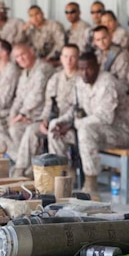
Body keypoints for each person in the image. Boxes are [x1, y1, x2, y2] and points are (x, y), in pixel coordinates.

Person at [49, 52, 129, 197]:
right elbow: (76, 109)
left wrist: (74, 125)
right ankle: (63, 176)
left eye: (89, 69)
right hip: (98, 130)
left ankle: (91, 185)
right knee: (54, 127)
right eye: (81, 69)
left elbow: (105, 117)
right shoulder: (80, 82)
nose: (84, 73)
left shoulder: (107, 82)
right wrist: (63, 122)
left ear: (97, 67)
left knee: (85, 131)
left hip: (124, 132)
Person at [12, 44, 79, 177]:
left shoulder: (81, 79)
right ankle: (21, 170)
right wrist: (44, 120)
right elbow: (49, 104)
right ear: (61, 58)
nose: (69, 60)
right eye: (65, 56)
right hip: (54, 120)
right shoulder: (56, 79)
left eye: (72, 57)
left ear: (77, 58)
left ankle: (60, 173)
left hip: (72, 124)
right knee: (32, 129)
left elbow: (78, 108)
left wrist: (60, 122)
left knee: (54, 131)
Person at [0, 43, 53, 157]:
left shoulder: (43, 69)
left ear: (31, 51)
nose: (20, 59)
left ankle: (25, 164)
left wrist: (20, 115)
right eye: (17, 57)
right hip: (23, 115)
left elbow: (37, 97)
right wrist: (13, 116)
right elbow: (18, 98)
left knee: (15, 129)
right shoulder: (24, 73)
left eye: (23, 54)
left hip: (38, 115)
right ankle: (19, 159)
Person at [92, 25, 129, 91]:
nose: (101, 42)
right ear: (95, 42)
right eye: (98, 40)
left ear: (110, 36)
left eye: (104, 38)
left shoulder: (123, 56)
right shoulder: (98, 55)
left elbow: (127, 84)